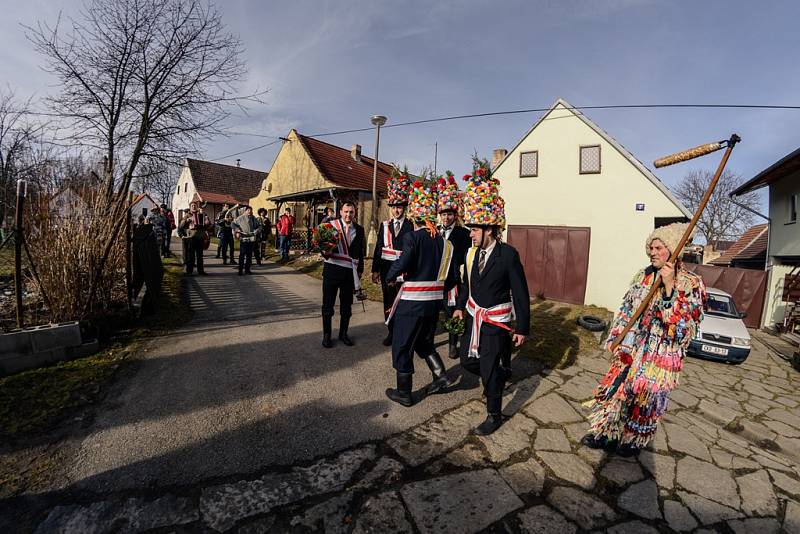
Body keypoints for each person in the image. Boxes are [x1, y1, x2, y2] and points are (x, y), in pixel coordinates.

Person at [581, 222, 706, 457]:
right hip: (631, 349)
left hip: (658, 358)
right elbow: (628, 309)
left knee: (645, 401)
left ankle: (632, 440)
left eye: (658, 248)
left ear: (673, 250)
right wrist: (617, 337)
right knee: (615, 394)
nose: (652, 252)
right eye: (651, 247)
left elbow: (682, 331)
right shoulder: (644, 275)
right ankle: (607, 435)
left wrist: (669, 287)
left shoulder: (689, 284)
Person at [452, 159, 530, 435]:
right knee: (466, 361)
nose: (470, 233)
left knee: (488, 367)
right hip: (474, 316)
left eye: (474, 228)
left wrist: (522, 327)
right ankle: (496, 376)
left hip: (495, 323)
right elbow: (466, 283)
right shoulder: (472, 253)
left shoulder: (508, 255)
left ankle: (494, 414)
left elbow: (521, 292)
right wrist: (460, 307)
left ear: (489, 229)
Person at [383, 181, 460, 407]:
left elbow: (403, 261)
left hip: (412, 304)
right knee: (423, 342)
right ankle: (441, 376)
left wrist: (390, 276)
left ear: (416, 217)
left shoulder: (413, 238)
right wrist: (436, 290)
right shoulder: (445, 243)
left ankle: (404, 393)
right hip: (433, 305)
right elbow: (453, 277)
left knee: (402, 345)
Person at [371, 169, 413, 346]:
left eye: (400, 207)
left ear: (404, 208)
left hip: (404, 271)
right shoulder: (384, 225)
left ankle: (402, 333)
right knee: (388, 300)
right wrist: (374, 270)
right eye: (394, 207)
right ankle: (391, 331)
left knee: (403, 302)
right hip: (387, 270)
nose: (397, 210)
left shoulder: (411, 226)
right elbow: (379, 248)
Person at [435, 172, 472, 359]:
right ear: (439, 215)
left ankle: (452, 344)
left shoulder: (463, 233)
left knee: (452, 313)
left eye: (450, 214)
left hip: (453, 281)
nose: (446, 218)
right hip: (435, 280)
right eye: (444, 214)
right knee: (433, 312)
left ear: (454, 215)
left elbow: (466, 258)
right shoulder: (434, 232)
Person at [320, 202, 365, 348]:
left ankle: (343, 333)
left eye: (351, 212)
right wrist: (325, 252)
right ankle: (327, 335)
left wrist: (359, 272)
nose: (348, 215)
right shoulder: (331, 226)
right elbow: (323, 246)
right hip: (332, 271)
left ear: (354, 213)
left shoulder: (359, 229)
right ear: (340, 212)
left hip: (348, 274)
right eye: (346, 211)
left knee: (347, 307)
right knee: (328, 306)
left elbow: (360, 253)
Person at [179, 201, 212, 275]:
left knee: (200, 255)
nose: (194, 207)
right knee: (190, 255)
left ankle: (201, 271)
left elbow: (208, 224)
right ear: (190, 207)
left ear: (197, 207)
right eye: (192, 206)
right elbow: (181, 225)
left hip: (200, 236)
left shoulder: (202, 213)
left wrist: (207, 221)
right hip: (191, 237)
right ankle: (189, 271)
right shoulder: (187, 215)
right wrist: (186, 221)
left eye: (195, 205)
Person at [233, 206, 261, 275]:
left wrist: (257, 230)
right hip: (244, 239)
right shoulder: (240, 218)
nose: (250, 212)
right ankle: (240, 270)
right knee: (242, 255)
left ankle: (247, 270)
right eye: (248, 210)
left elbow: (259, 226)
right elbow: (232, 224)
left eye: (251, 210)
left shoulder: (253, 218)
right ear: (245, 211)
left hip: (251, 239)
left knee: (249, 256)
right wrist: (237, 230)